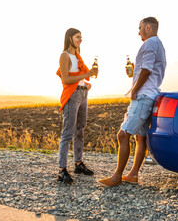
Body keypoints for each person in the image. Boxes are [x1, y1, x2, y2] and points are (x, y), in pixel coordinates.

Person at [98, 17, 166, 187]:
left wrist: (135, 89)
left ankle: (117, 177)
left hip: (143, 96)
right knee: (140, 137)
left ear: (148, 27)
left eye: (140, 28)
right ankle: (133, 174)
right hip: (150, 94)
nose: (138, 32)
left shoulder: (150, 43)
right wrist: (135, 71)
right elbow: (146, 69)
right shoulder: (159, 44)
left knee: (123, 134)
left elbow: (147, 69)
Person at [56, 28, 98, 184]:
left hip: (82, 93)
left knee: (79, 130)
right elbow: (66, 79)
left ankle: (78, 164)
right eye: (78, 37)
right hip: (71, 96)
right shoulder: (64, 56)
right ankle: (61, 170)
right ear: (69, 38)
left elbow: (77, 77)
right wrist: (87, 75)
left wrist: (85, 84)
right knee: (67, 132)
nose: (81, 39)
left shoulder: (77, 57)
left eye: (81, 37)